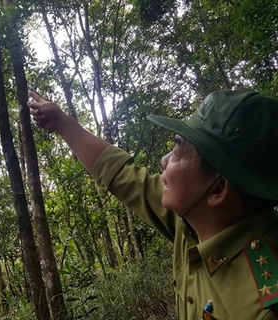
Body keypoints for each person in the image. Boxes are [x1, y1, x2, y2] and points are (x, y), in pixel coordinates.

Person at [28, 89, 278, 320]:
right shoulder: (197, 221)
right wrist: (62, 123)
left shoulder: (262, 306)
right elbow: (123, 177)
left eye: (179, 153)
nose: (164, 160)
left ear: (218, 189)